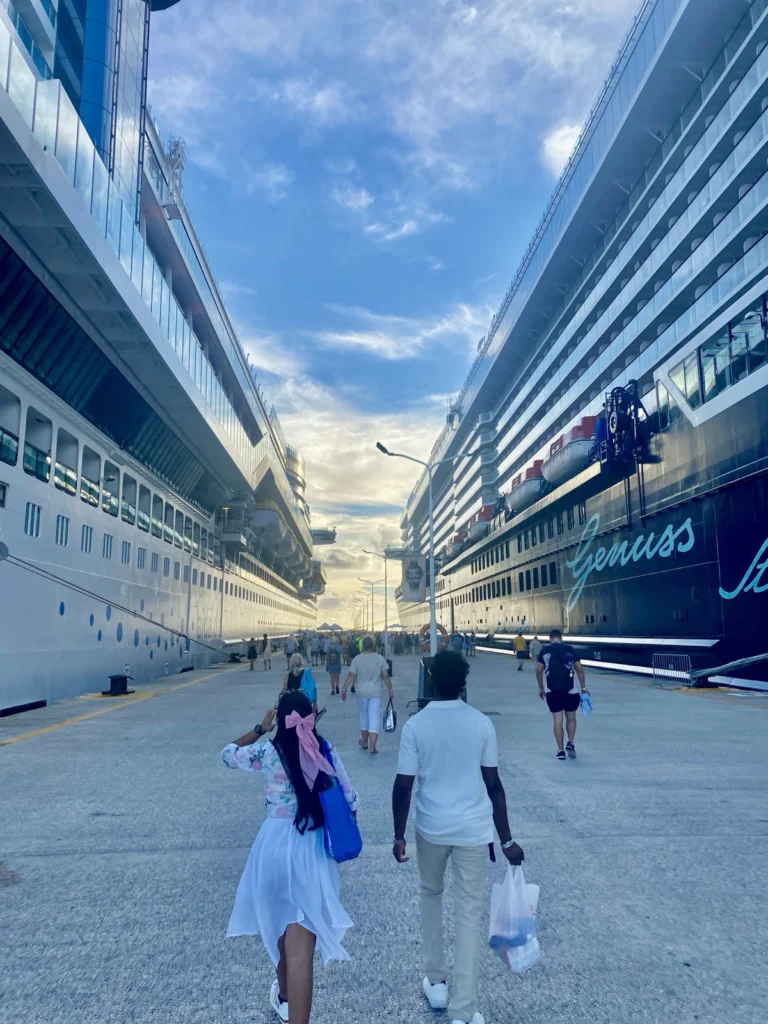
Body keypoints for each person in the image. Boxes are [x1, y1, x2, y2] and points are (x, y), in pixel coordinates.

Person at [391, 650, 524, 1024]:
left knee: (430, 896)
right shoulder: (481, 724)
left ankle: (436, 982)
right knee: (468, 912)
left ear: (431, 680)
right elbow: (493, 785)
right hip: (473, 830)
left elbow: (403, 787)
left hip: (431, 827)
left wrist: (398, 835)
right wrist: (507, 840)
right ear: (464, 684)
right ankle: (464, 1010)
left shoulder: (416, 726)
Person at [221, 690, 358, 1024]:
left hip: (271, 847)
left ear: (279, 720)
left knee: (280, 929)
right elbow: (351, 799)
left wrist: (260, 728)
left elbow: (227, 754)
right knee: (301, 948)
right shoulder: (325, 749)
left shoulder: (268, 751)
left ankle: (284, 999)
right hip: (310, 850)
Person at [535, 628, 590, 760]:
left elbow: (538, 670)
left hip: (552, 690)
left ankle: (560, 751)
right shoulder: (570, 650)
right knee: (571, 718)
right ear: (561, 638)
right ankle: (570, 743)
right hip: (570, 689)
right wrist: (583, 687)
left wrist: (541, 687)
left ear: (550, 638)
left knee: (557, 720)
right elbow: (579, 669)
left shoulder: (545, 651)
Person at [341, 636, 393, 755]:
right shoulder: (380, 658)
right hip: (375, 692)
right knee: (374, 717)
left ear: (363, 646)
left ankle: (364, 742)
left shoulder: (357, 659)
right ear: (373, 646)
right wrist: (390, 690)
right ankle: (372, 746)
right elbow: (385, 676)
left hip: (361, 692)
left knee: (364, 716)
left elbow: (351, 675)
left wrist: (344, 689)